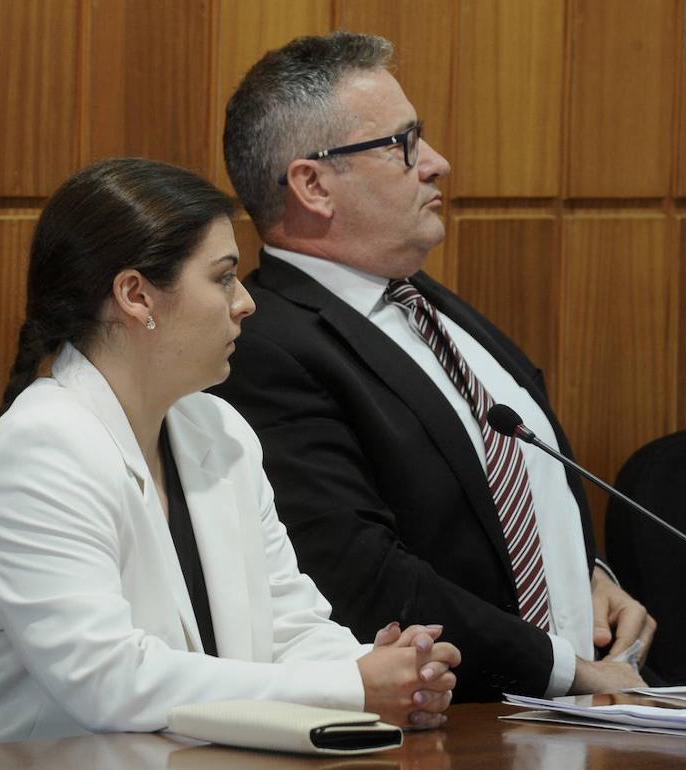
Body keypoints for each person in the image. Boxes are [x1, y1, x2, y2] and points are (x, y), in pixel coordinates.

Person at [0, 158, 460, 749]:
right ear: (136, 295)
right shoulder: (39, 449)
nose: (245, 302)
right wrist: (351, 687)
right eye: (222, 278)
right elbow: (109, 681)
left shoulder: (218, 429)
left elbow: (289, 626)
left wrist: (398, 674)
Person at [212, 32, 654, 702]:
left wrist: (586, 577)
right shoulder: (264, 346)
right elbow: (360, 573)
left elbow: (508, 490)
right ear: (313, 184)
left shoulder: (428, 304)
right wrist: (560, 668)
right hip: (461, 722)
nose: (437, 163)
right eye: (404, 145)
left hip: (578, 710)